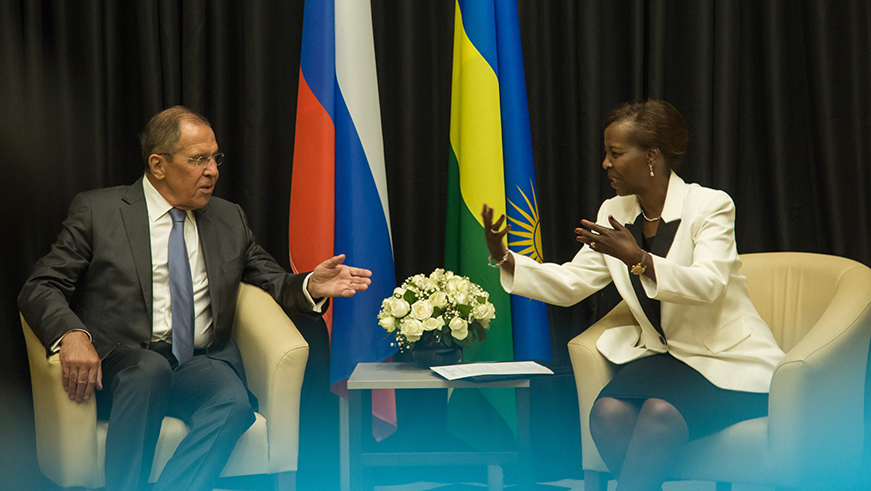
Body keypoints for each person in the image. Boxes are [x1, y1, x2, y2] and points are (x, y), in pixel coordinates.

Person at [18, 106, 372, 491]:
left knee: (234, 403)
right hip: (124, 363)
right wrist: (72, 335)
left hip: (196, 362)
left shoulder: (228, 218)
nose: (213, 171)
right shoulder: (99, 212)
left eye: (215, 158)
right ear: (158, 165)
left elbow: (272, 281)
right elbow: (40, 286)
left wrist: (310, 286)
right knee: (148, 369)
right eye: (198, 160)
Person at [482, 99, 785, 490]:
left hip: (726, 358)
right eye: (606, 154)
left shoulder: (710, 205)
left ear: (652, 156)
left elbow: (709, 283)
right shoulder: (615, 210)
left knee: (659, 414)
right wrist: (504, 257)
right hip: (668, 357)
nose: (606, 164)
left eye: (616, 154)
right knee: (606, 413)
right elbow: (572, 283)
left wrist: (641, 259)